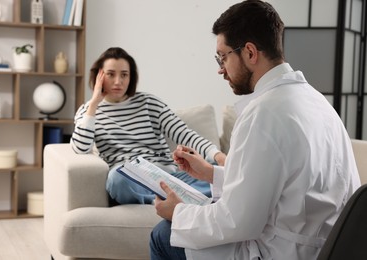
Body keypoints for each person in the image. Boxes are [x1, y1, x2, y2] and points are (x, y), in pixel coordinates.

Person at [150, 1, 361, 259]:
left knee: (163, 234)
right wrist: (211, 174)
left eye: (223, 56)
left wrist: (178, 212)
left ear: (250, 52)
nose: (220, 68)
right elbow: (278, 182)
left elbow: (237, 221)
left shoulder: (264, 114)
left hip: (282, 252)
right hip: (327, 247)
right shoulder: (315, 101)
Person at [71, 47, 226, 205]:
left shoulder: (149, 103)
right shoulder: (88, 111)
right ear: (99, 76)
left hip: (169, 177)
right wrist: (94, 104)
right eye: (111, 74)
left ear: (131, 77)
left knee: (217, 172)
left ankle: (175, 199)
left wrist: (218, 156)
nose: (118, 81)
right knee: (115, 180)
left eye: (124, 74)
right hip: (130, 179)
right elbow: (80, 148)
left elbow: (185, 134)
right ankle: (178, 200)